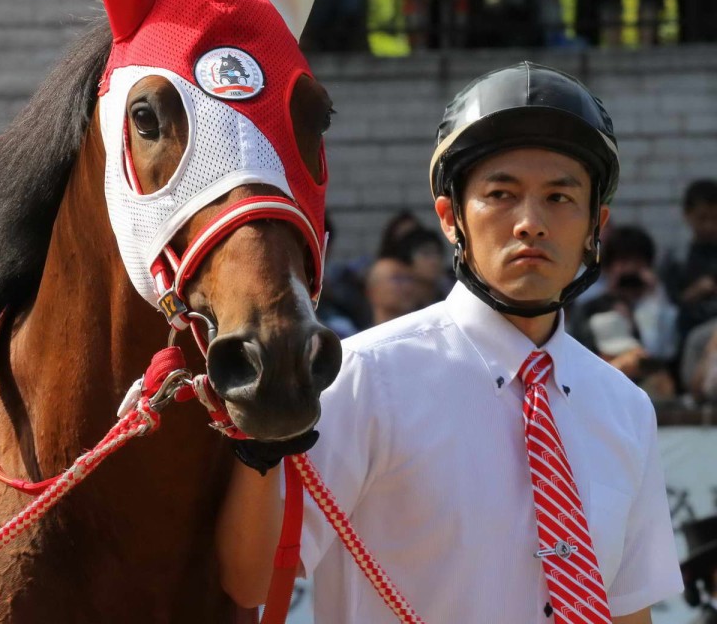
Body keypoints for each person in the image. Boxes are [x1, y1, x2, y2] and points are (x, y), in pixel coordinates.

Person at [218, 62, 681, 621]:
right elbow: (250, 578)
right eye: (501, 193)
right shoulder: (367, 378)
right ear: (450, 217)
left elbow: (629, 609)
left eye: (560, 198)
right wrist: (258, 444)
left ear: (595, 226)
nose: (530, 222)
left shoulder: (626, 408)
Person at [569, 224, 678, 398]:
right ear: (609, 267)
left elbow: (659, 351)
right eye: (623, 261)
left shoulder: (656, 303)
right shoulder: (590, 305)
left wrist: (653, 296)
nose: (629, 271)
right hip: (601, 388)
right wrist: (611, 299)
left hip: (648, 390)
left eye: (636, 263)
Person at [663, 179, 717, 347]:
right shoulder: (678, 260)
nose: (709, 226)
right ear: (687, 215)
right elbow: (668, 308)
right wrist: (695, 292)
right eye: (702, 218)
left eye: (715, 218)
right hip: (687, 340)